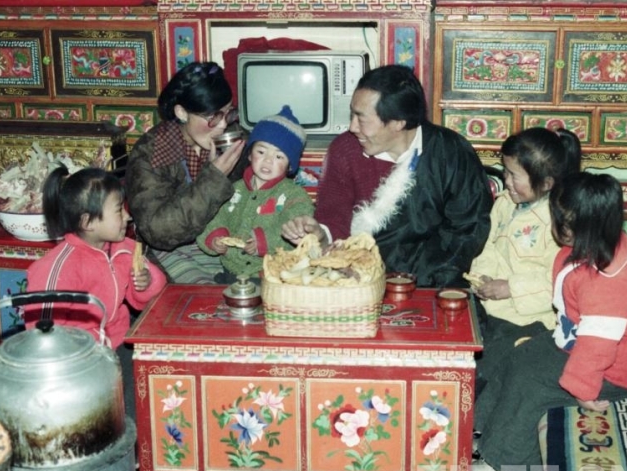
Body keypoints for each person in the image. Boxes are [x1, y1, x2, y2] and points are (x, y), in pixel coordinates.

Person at [471, 173, 627, 471]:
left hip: (610, 368)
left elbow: (597, 347)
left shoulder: (607, 286)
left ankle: (507, 462)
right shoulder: (592, 248)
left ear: (578, 228)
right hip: (573, 341)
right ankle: (485, 430)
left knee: (532, 385)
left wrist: (583, 390)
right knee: (517, 356)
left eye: (559, 220)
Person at [281, 64, 492, 287]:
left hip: (436, 280)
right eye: (352, 114)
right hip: (358, 279)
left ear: (398, 122)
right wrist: (320, 235)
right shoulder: (344, 149)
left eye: (361, 119)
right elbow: (334, 217)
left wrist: (415, 280)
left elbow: (468, 229)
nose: (352, 127)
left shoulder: (450, 152)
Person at [24, 166, 167, 419]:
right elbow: (42, 330)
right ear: (87, 222)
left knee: (151, 389)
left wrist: (145, 282)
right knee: (104, 413)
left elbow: (143, 299)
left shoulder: (123, 248)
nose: (127, 216)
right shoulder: (59, 267)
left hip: (119, 344)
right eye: (118, 210)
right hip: (79, 361)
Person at [468, 127, 581, 380]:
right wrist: (482, 276)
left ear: (547, 183)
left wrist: (510, 288)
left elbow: (561, 280)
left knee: (491, 373)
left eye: (514, 175)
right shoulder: (504, 203)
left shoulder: (559, 221)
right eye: (505, 171)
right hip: (490, 310)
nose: (506, 181)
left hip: (532, 319)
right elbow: (488, 245)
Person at [125, 61, 248, 284]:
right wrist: (214, 178)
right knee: (209, 293)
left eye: (227, 113)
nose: (222, 125)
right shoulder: (151, 153)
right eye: (213, 118)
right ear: (182, 112)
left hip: (222, 240)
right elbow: (158, 232)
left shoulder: (229, 135)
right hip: (173, 251)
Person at [197, 105, 314, 283]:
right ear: (250, 155)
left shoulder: (294, 196)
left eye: (279, 156)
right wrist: (215, 237)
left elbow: (297, 229)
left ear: (290, 165)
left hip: (271, 275)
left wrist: (265, 241)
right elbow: (213, 217)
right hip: (231, 270)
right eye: (261, 151)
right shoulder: (232, 189)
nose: (268, 160)